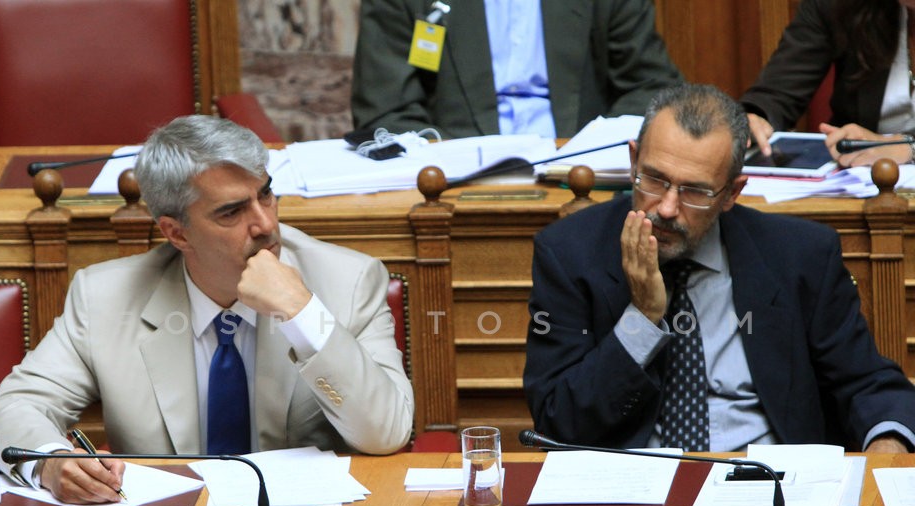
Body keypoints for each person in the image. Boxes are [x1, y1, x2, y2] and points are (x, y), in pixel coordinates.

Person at [0, 115, 414, 504]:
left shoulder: (348, 281)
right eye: (232, 212)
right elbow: (9, 411)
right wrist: (51, 462)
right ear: (176, 233)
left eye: (266, 195)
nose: (265, 224)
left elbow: (386, 433)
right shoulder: (105, 297)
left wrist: (303, 315)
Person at [523, 82, 915, 454]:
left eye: (695, 191)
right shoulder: (570, 253)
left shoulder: (799, 256)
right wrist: (640, 320)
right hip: (634, 494)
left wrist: (886, 450)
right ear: (632, 161)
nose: (667, 208)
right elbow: (559, 422)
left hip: (768, 486)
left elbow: (870, 386)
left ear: (731, 193)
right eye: (655, 180)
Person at [350, 0, 683, 139]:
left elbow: (652, 87)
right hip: (452, 191)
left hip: (580, 184)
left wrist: (591, 146)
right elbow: (385, 109)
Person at [741, 0, 915, 167]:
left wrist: (908, 149)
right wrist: (755, 118)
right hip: (859, 179)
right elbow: (779, 91)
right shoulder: (837, 4)